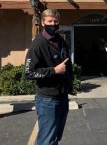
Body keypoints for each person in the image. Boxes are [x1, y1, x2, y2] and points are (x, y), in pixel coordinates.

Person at [24, 9, 74, 145]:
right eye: (50, 21)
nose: (53, 24)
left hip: (62, 95)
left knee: (56, 136)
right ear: (43, 22)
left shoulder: (60, 40)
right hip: (48, 99)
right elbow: (29, 72)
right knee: (47, 140)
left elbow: (67, 64)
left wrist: (70, 84)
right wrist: (54, 70)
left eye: (56, 21)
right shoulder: (37, 44)